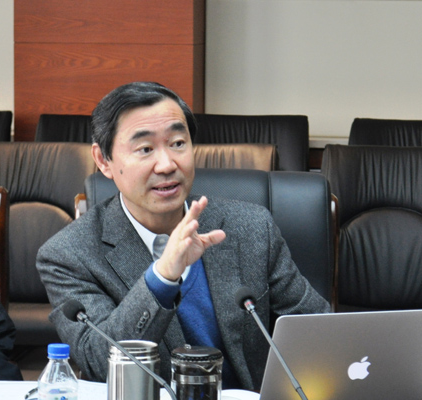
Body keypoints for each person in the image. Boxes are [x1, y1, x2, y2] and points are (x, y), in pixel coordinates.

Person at [36, 81, 330, 392]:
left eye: (178, 143)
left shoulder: (251, 227)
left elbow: (318, 331)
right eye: (145, 149)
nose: (167, 165)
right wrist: (162, 278)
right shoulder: (69, 254)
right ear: (103, 160)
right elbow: (101, 362)